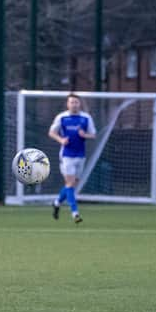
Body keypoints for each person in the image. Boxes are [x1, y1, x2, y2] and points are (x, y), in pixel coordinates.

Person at [48, 93, 96, 223]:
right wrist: (61, 139)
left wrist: (84, 135)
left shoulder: (86, 118)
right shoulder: (62, 117)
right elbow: (52, 132)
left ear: (79, 104)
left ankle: (57, 203)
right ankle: (75, 213)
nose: (74, 104)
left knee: (72, 185)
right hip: (67, 155)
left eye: (76, 102)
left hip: (80, 155)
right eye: (71, 102)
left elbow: (93, 135)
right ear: (67, 104)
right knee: (70, 183)